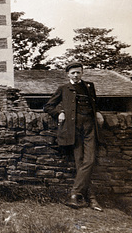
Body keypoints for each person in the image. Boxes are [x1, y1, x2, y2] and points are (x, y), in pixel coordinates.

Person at [44, 61, 104, 211]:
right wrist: (60, 113)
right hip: (74, 129)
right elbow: (48, 106)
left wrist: (97, 112)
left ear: (82, 73)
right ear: (68, 74)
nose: (76, 75)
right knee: (80, 163)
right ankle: (90, 199)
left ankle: (75, 194)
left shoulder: (89, 86)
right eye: (73, 73)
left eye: (78, 72)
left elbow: (94, 104)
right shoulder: (63, 89)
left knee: (89, 160)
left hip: (90, 127)